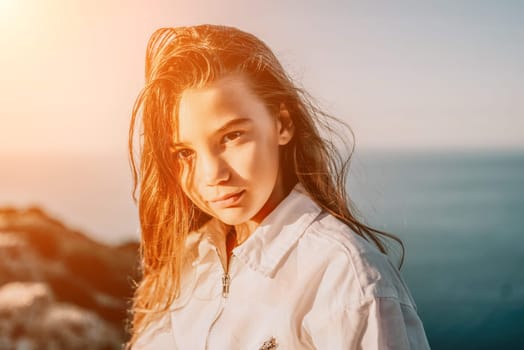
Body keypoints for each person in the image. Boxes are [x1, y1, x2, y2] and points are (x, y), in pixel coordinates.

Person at [126, 24, 430, 349]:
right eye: (185, 153)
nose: (212, 174)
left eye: (232, 136)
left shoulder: (344, 277)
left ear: (282, 123)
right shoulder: (185, 262)